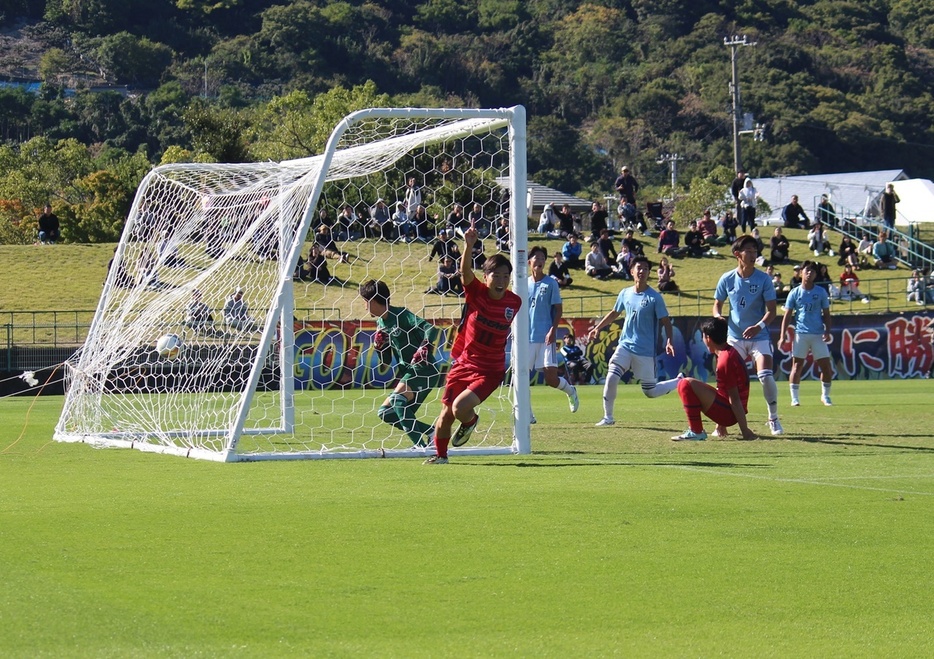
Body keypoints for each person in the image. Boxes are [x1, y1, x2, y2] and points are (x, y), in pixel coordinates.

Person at [425, 220, 521, 465]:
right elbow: (465, 273)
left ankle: (469, 421)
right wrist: (468, 245)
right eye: (495, 275)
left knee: (459, 407)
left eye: (505, 276)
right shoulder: (476, 292)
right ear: (485, 277)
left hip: (489, 370)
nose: (501, 280)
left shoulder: (514, 302)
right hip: (463, 364)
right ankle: (441, 456)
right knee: (446, 414)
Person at [588, 255, 681, 427]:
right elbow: (615, 313)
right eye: (639, 268)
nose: (642, 271)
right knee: (612, 376)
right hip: (625, 345)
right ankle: (608, 417)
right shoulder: (625, 293)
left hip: (645, 351)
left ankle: (678, 381)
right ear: (632, 271)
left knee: (650, 392)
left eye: (646, 269)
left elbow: (666, 321)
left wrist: (669, 341)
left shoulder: (655, 297)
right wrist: (597, 328)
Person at [713, 234, 783, 435]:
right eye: (749, 251)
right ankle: (721, 424)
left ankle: (773, 418)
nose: (753, 254)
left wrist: (758, 327)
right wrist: (718, 316)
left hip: (759, 337)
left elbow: (772, 311)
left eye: (755, 250)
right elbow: (717, 304)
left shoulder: (763, 279)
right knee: (725, 379)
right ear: (738, 254)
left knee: (765, 376)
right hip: (734, 337)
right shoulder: (726, 279)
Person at [360, 279, 441, 447]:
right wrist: (379, 348)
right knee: (385, 413)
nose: (364, 306)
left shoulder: (401, 315)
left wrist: (424, 347)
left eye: (365, 302)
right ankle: (432, 433)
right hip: (409, 373)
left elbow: (430, 329)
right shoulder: (380, 323)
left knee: (397, 400)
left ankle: (420, 446)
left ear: (374, 301)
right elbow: (386, 363)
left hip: (424, 370)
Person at [671, 316, 757, 441]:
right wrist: (720, 425)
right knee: (686, 383)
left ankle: (696, 431)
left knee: (685, 384)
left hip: (730, 414)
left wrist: (745, 431)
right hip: (730, 412)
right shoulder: (725, 352)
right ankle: (698, 430)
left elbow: (734, 398)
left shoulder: (725, 359)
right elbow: (725, 391)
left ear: (708, 338)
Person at [527, 245, 579, 422]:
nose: (540, 261)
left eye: (543, 258)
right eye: (537, 258)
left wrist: (552, 330)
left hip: (545, 335)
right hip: (526, 337)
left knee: (550, 378)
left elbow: (558, 309)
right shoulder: (522, 284)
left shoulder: (551, 283)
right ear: (529, 262)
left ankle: (571, 391)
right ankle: (528, 413)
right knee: (521, 377)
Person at [779, 261, 834, 407]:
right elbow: (788, 315)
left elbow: (827, 314)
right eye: (807, 270)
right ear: (802, 272)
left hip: (817, 334)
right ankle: (794, 398)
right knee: (797, 366)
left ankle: (825, 396)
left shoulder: (821, 292)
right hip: (800, 334)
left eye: (813, 271)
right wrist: (782, 335)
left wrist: (827, 331)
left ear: (816, 275)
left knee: (826, 367)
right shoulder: (794, 292)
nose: (810, 273)